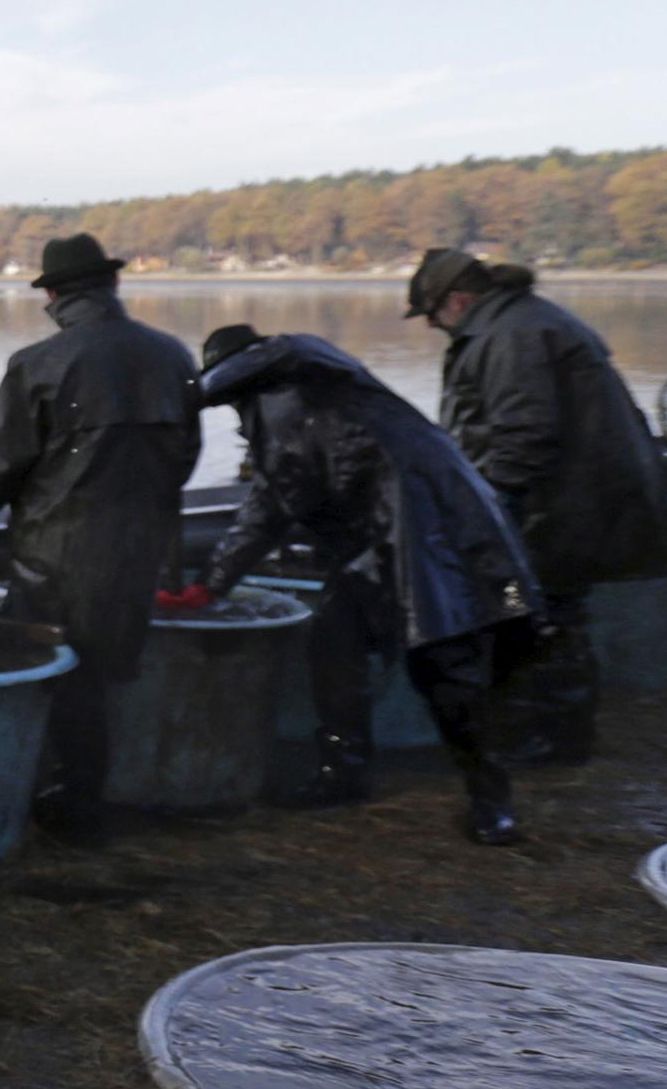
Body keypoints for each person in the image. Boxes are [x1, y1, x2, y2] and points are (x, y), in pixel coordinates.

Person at [180, 325, 539, 844]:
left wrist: (180, 397)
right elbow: (271, 505)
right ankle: (341, 773)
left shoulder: (306, 362)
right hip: (376, 547)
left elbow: (284, 355)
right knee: (333, 640)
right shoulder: (275, 415)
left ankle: (491, 798)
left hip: (428, 530)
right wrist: (211, 585)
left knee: (444, 664)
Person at [0, 234, 199, 842]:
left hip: (55, 556)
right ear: (112, 284)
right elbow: (186, 456)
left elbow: (0, 467)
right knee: (100, 678)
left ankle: (67, 811)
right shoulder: (174, 355)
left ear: (52, 294)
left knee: (52, 677)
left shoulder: (39, 363)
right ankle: (84, 801)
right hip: (138, 551)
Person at [406, 250, 667, 764]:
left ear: (457, 299)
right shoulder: (524, 320)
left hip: (559, 508)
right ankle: (553, 732)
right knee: (546, 611)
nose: (430, 325)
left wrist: (490, 515)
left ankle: (550, 738)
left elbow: (523, 436)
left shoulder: (509, 336)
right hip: (575, 501)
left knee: (537, 612)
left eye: (431, 313)